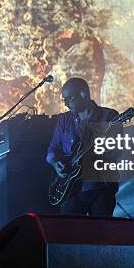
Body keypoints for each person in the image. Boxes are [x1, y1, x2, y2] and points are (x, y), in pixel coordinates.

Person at [46, 77, 120, 216]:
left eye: (69, 98)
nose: (66, 103)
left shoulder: (109, 116)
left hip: (100, 187)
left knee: (101, 233)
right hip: (71, 192)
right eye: (64, 99)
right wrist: (56, 163)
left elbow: (116, 151)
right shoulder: (64, 120)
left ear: (83, 93)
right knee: (69, 233)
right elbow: (52, 149)